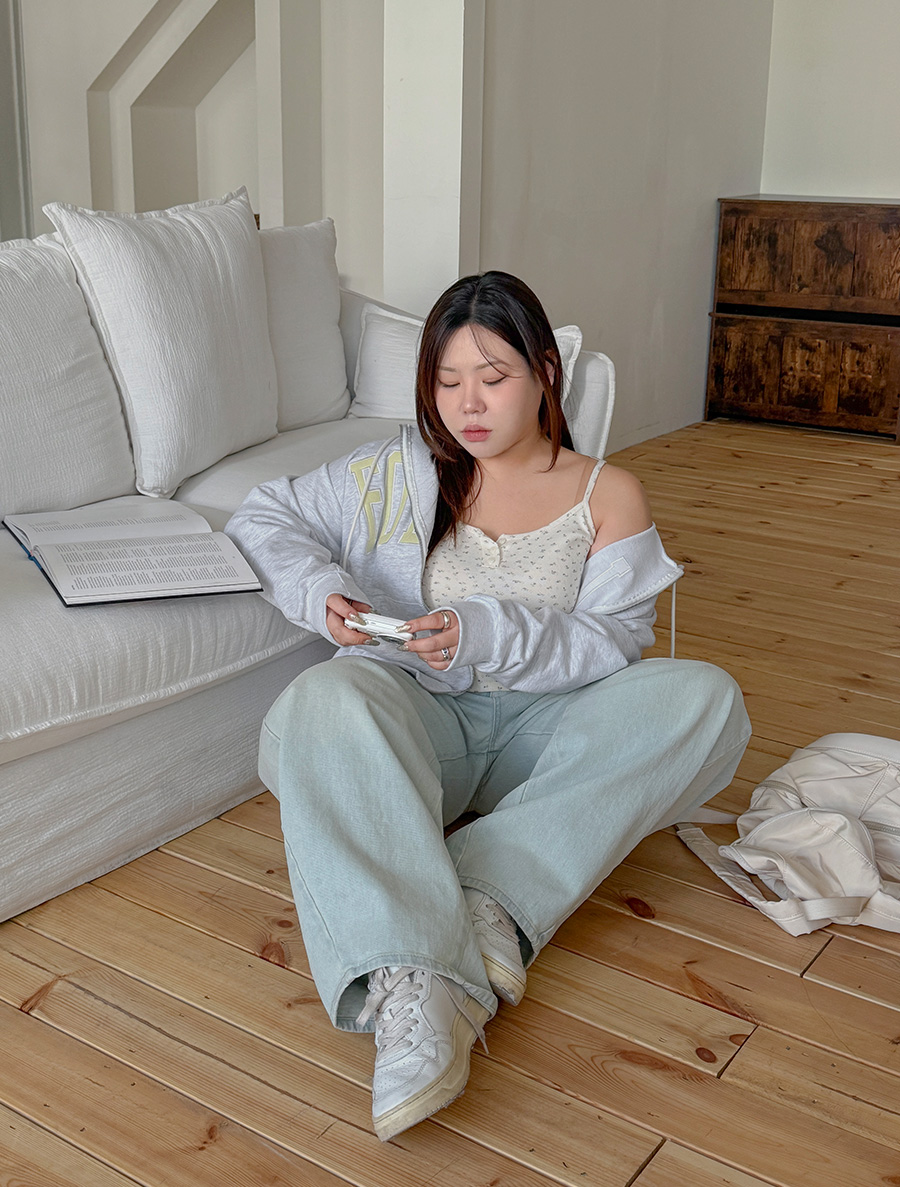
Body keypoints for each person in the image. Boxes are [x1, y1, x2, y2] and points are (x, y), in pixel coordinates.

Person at [225, 270, 751, 1142]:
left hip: (552, 729)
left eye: (493, 377)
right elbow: (264, 515)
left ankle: (484, 900)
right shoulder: (396, 470)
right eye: (447, 380)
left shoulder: (607, 493)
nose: (467, 404)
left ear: (544, 373)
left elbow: (613, 643)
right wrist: (322, 591)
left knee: (705, 700)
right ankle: (415, 981)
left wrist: (488, 630)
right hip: (428, 725)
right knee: (320, 701)